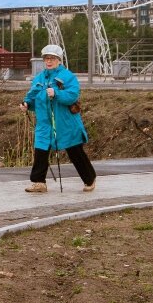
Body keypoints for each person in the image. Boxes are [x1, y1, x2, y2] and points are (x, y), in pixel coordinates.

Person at [19, 44, 96, 193]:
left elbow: (73, 95)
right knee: (40, 150)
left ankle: (89, 179)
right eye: (46, 58)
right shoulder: (39, 78)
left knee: (75, 151)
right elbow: (33, 97)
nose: (49, 61)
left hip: (65, 122)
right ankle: (39, 182)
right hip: (44, 123)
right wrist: (27, 104)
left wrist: (56, 94)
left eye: (52, 58)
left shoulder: (68, 77)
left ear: (59, 60)